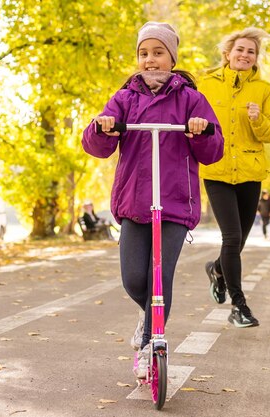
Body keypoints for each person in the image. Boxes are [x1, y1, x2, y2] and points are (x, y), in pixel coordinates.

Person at [81, 21, 224, 379]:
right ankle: (147, 316)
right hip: (135, 201)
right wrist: (102, 127)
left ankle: (150, 345)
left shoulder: (191, 98)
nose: (150, 60)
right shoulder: (125, 98)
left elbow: (214, 150)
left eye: (158, 53)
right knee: (134, 278)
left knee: (160, 277)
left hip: (175, 203)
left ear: (172, 58)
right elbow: (96, 145)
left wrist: (202, 130)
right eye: (144, 53)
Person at [199, 28, 270, 328]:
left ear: (256, 59)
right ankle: (239, 306)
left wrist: (259, 120)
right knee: (231, 237)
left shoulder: (263, 90)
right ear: (227, 53)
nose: (245, 55)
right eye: (240, 50)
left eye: (251, 52)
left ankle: (217, 270)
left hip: (250, 172)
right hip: (216, 170)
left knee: (239, 241)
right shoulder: (206, 85)